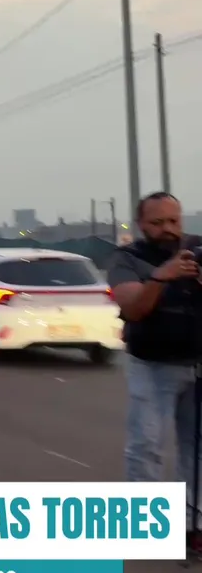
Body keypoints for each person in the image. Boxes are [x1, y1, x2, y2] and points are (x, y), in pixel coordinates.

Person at [107, 191, 202, 553]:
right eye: (157, 222)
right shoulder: (128, 259)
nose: (168, 229)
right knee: (147, 445)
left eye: (173, 221)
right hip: (152, 365)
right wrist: (161, 278)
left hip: (196, 363)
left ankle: (194, 524)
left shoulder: (197, 250)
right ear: (141, 225)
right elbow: (133, 309)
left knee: (197, 449)